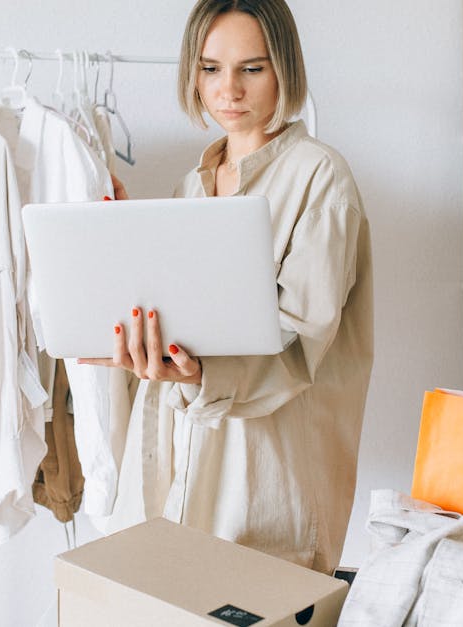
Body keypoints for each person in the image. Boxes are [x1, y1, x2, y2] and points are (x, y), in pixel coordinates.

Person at [78, 0, 373, 575]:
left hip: (261, 484)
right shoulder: (191, 185)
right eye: (211, 68)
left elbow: (300, 343)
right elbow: (188, 319)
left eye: (252, 68)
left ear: (284, 68)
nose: (228, 89)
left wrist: (203, 375)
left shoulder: (321, 178)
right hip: (173, 477)